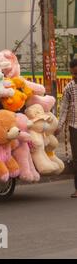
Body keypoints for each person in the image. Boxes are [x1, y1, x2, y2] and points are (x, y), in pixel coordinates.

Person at [57, 59, 77, 198]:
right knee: (76, 159)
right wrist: (59, 126)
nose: (74, 76)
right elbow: (63, 109)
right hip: (74, 127)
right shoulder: (69, 88)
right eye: (73, 73)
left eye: (76, 73)